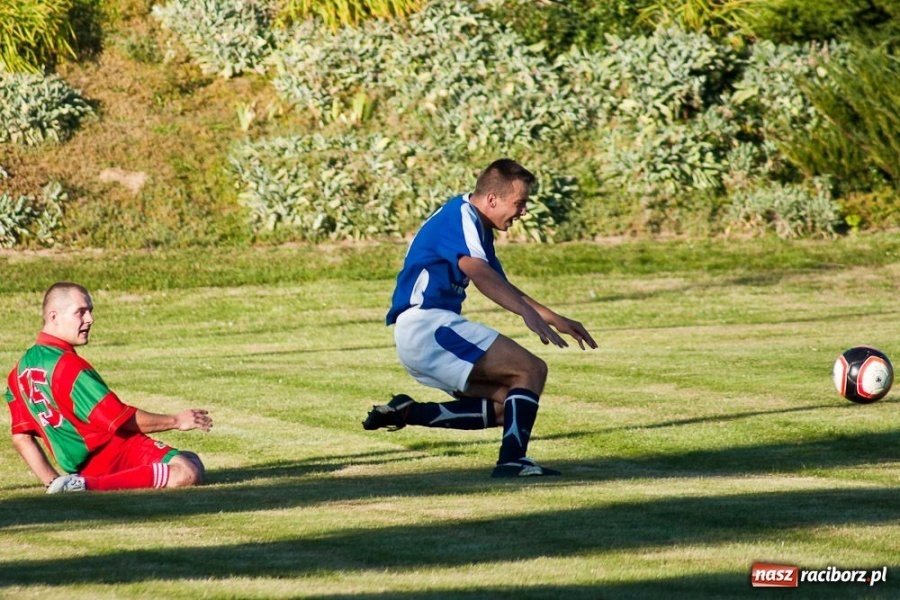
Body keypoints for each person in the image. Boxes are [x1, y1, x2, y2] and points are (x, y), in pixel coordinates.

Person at [364, 158, 597, 477]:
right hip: (429, 327)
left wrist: (554, 317)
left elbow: (501, 283)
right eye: (520, 202)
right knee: (530, 369)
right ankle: (512, 462)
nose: (523, 211)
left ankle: (407, 412)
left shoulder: (473, 224)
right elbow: (479, 273)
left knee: (506, 406)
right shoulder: (461, 216)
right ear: (492, 199)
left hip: (419, 335)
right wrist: (526, 314)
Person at [5, 282, 213, 494]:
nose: (90, 319)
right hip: (115, 450)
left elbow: (21, 438)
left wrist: (52, 482)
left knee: (192, 459)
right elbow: (118, 418)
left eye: (90, 311)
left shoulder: (17, 373)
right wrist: (176, 420)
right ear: (54, 316)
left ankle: (76, 485)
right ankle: (84, 486)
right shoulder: (67, 365)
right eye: (81, 312)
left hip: (85, 466)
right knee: (187, 472)